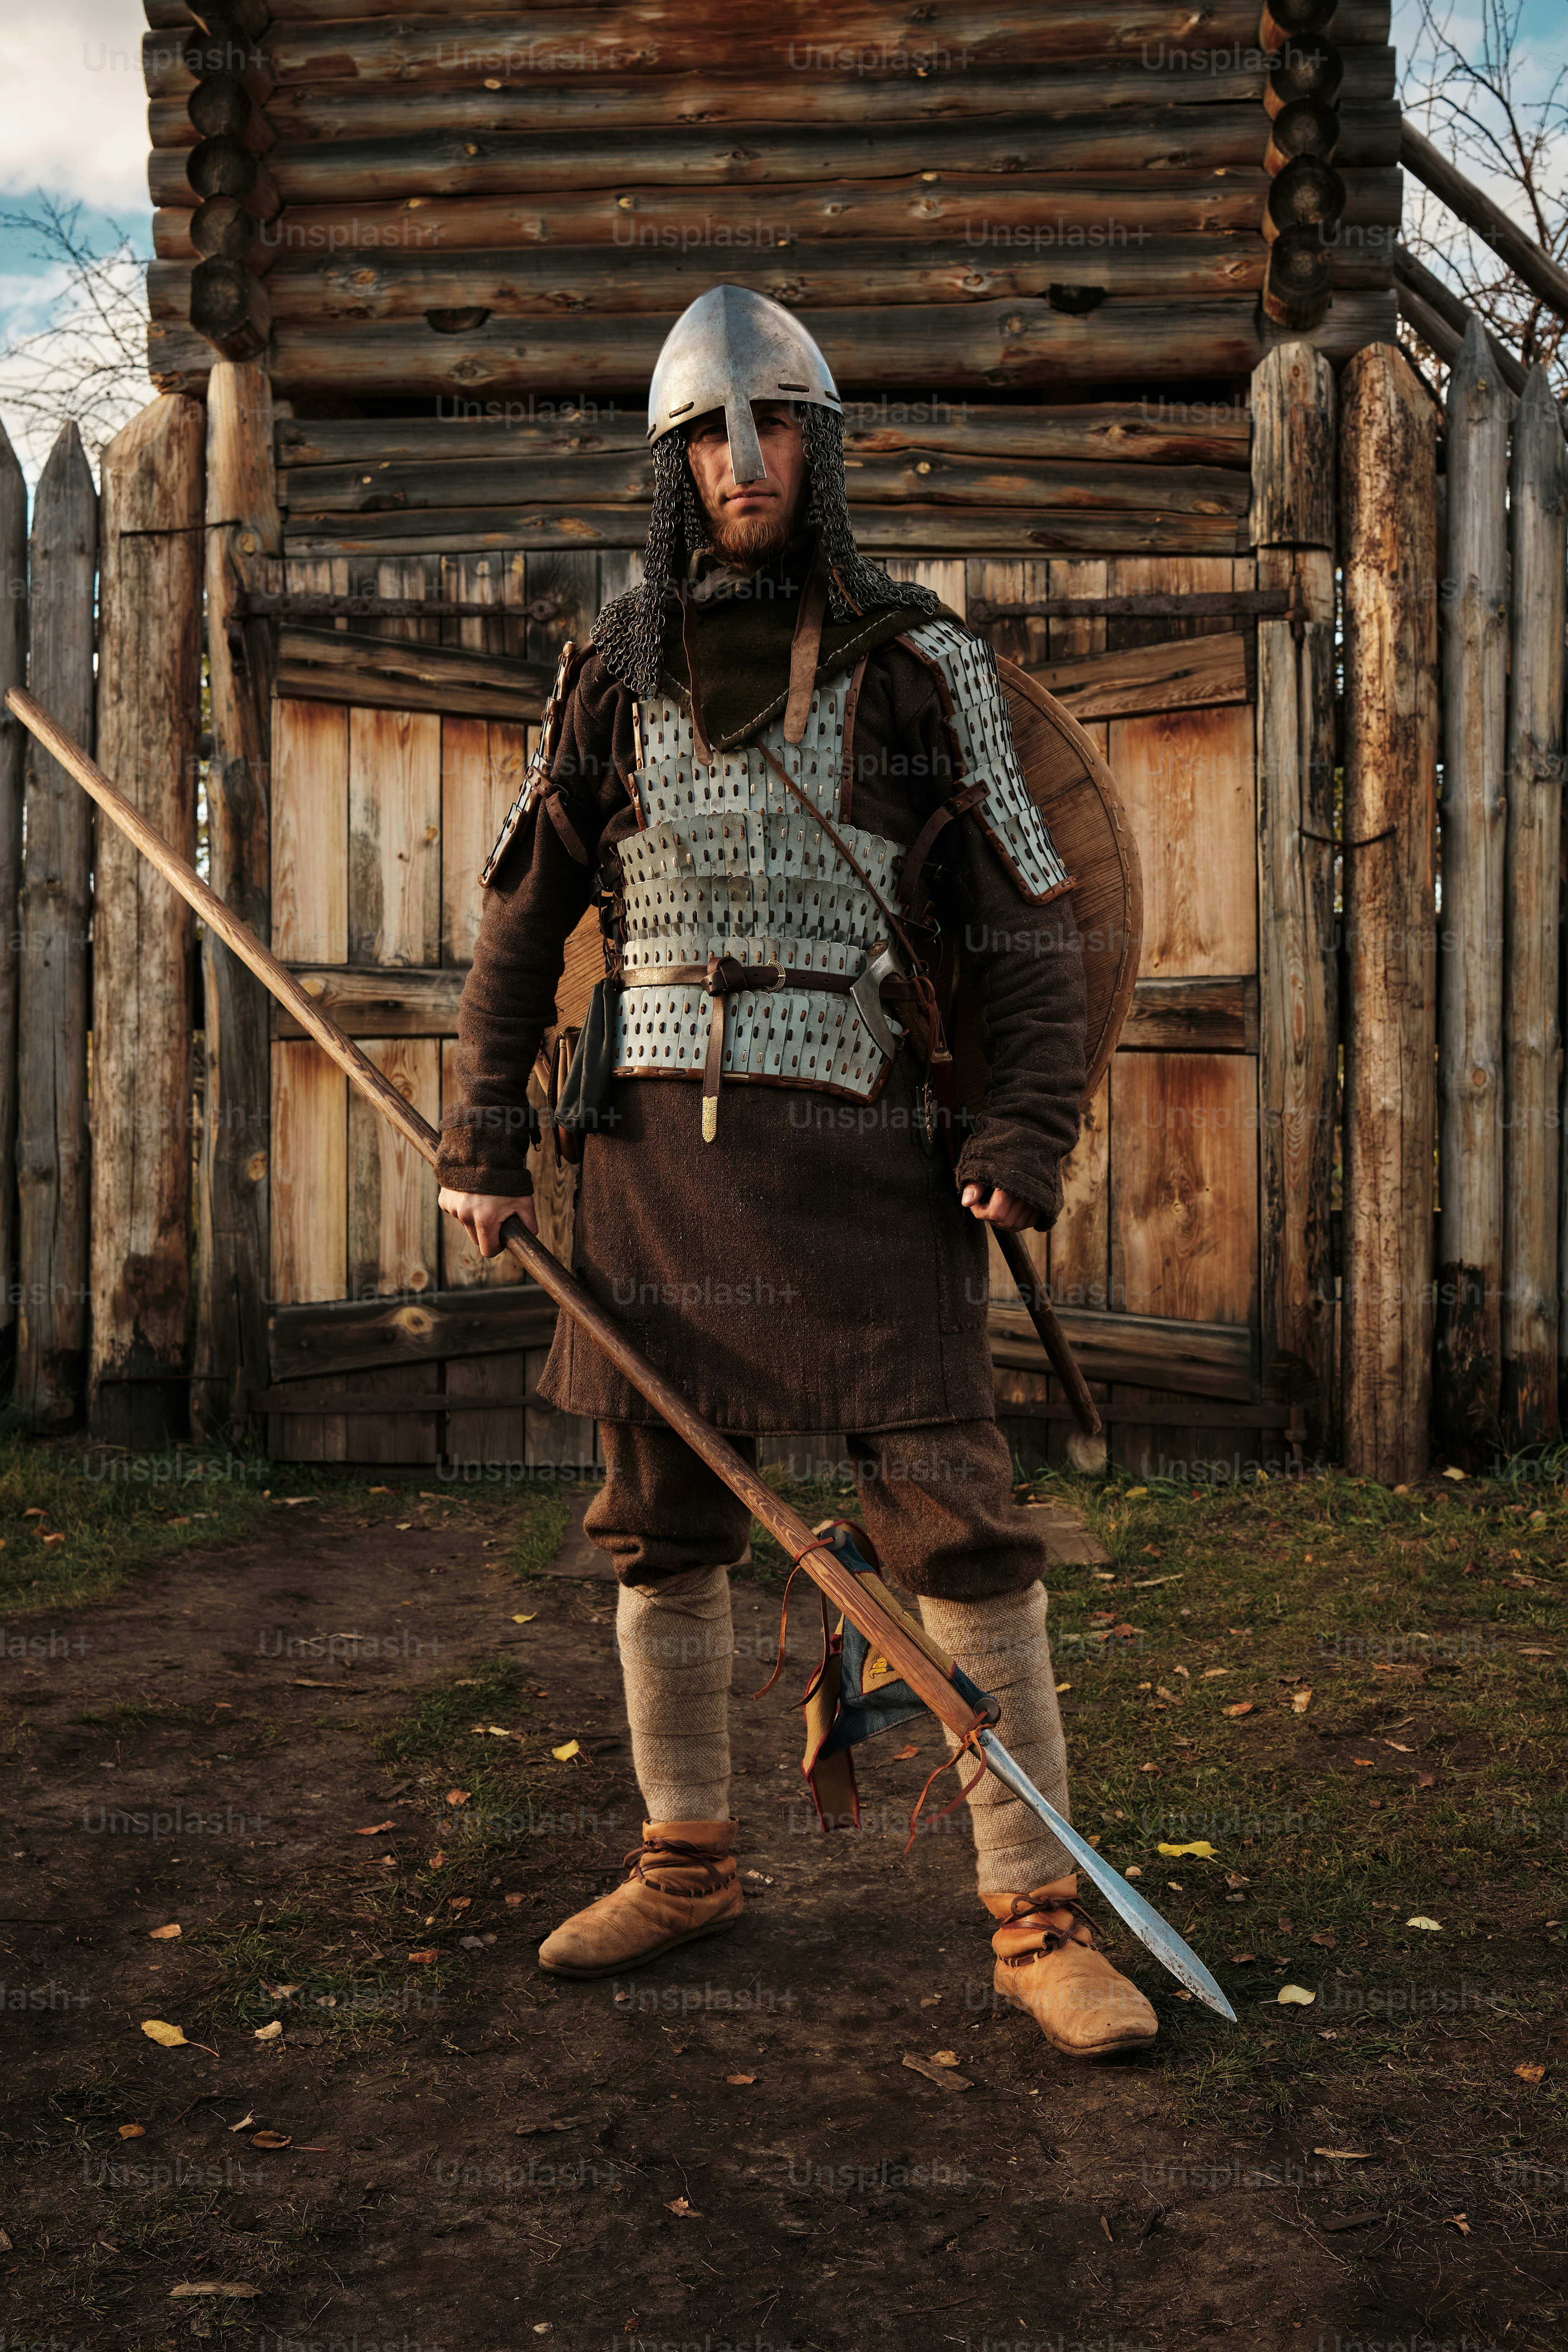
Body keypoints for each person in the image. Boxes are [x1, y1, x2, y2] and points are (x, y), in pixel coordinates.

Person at [437, 286, 1155, 2059]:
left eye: (773, 427)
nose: (742, 461)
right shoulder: (613, 667)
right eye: (707, 431)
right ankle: (688, 1859)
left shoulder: (924, 666)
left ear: (821, 448)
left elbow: (1032, 947)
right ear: (671, 463)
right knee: (659, 1528)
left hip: (874, 1172)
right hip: (653, 1184)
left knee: (960, 1532)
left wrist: (1018, 1139)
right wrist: (481, 1145)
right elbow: (521, 934)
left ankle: (1036, 1913)